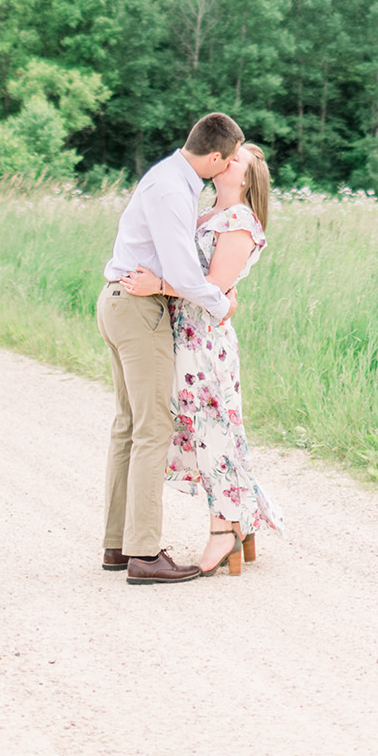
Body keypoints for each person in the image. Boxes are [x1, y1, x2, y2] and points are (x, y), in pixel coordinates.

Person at [120, 140, 281, 577]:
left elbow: (212, 286)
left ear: (245, 177)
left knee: (214, 431)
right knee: (200, 427)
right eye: (228, 155)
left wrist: (157, 285)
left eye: (237, 160)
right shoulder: (205, 212)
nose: (227, 160)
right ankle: (240, 521)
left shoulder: (240, 222)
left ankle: (222, 530)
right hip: (185, 334)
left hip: (206, 341)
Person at [97, 110, 244, 584]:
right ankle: (143, 554)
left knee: (129, 425)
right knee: (152, 428)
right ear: (216, 156)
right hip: (138, 311)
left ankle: (118, 546)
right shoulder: (171, 191)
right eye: (230, 161)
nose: (230, 169)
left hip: (122, 303)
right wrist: (220, 304)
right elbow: (183, 276)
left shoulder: (170, 179)